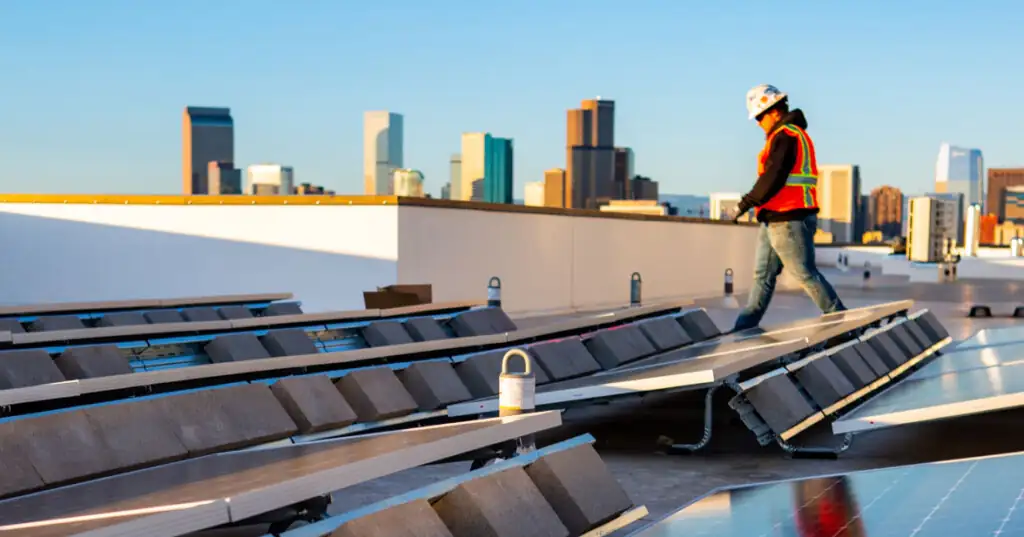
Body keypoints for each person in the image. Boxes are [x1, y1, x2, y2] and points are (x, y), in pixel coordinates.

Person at [732, 84, 846, 331]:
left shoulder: (786, 136)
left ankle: (841, 322)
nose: (758, 122)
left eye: (760, 116)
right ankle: (743, 329)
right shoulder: (786, 135)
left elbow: (774, 177)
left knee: (804, 274)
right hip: (774, 218)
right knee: (762, 277)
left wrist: (744, 204)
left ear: (774, 111)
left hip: (789, 218)